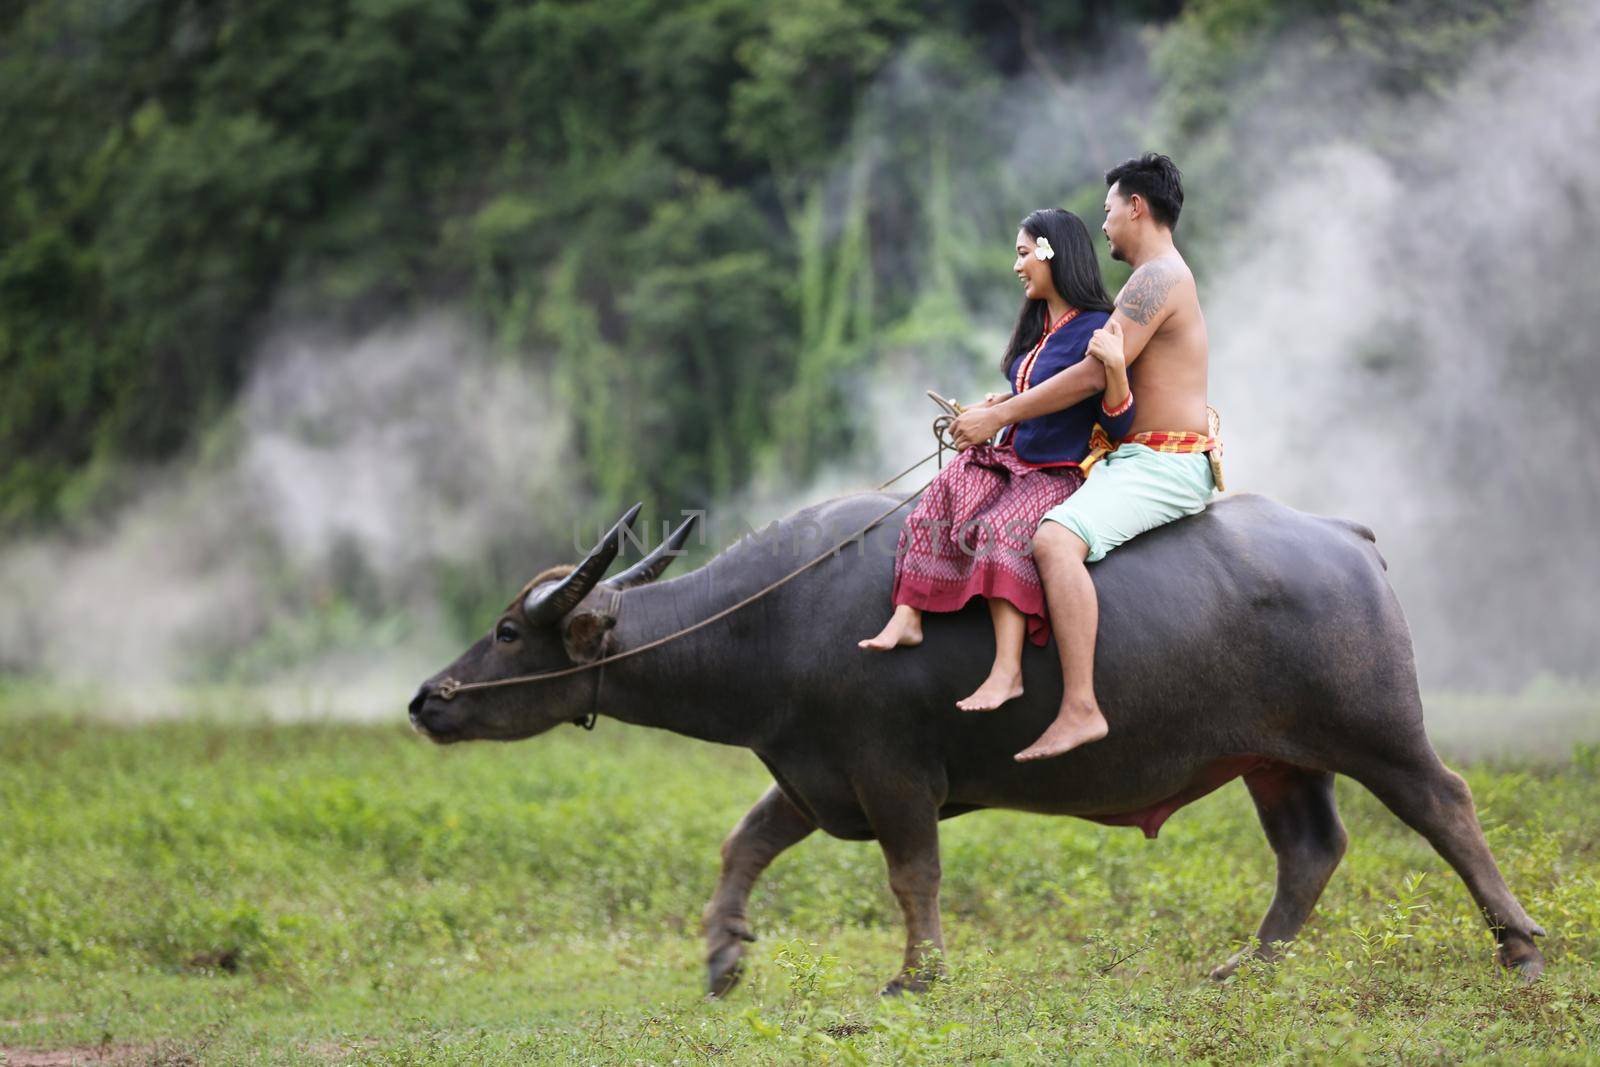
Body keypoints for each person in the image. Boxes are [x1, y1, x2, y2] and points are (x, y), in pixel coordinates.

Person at [952, 153, 1216, 761]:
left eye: (1108, 212)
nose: (1104, 227)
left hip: (1161, 461)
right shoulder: (1151, 280)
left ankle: (1081, 707)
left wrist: (1000, 416)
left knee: (1051, 539)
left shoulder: (1156, 279)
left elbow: (1094, 375)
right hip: (1128, 456)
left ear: (1136, 207)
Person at [860, 208, 1134, 714]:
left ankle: (1007, 671)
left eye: (1024, 253)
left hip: (1056, 471)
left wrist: (1115, 375)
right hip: (1013, 455)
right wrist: (992, 411)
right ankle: (909, 613)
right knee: (946, 487)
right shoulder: (1037, 330)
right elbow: (1025, 402)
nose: (1017, 266)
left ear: (1054, 254)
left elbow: (1115, 423)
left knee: (999, 528)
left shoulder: (1098, 329)